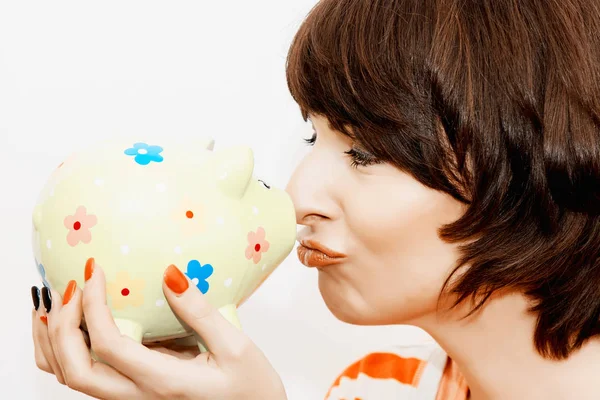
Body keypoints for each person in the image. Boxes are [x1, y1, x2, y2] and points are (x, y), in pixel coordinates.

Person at [29, 0, 600, 398]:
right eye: (313, 135)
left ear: (536, 156)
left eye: (365, 151)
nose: (298, 194)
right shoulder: (374, 389)